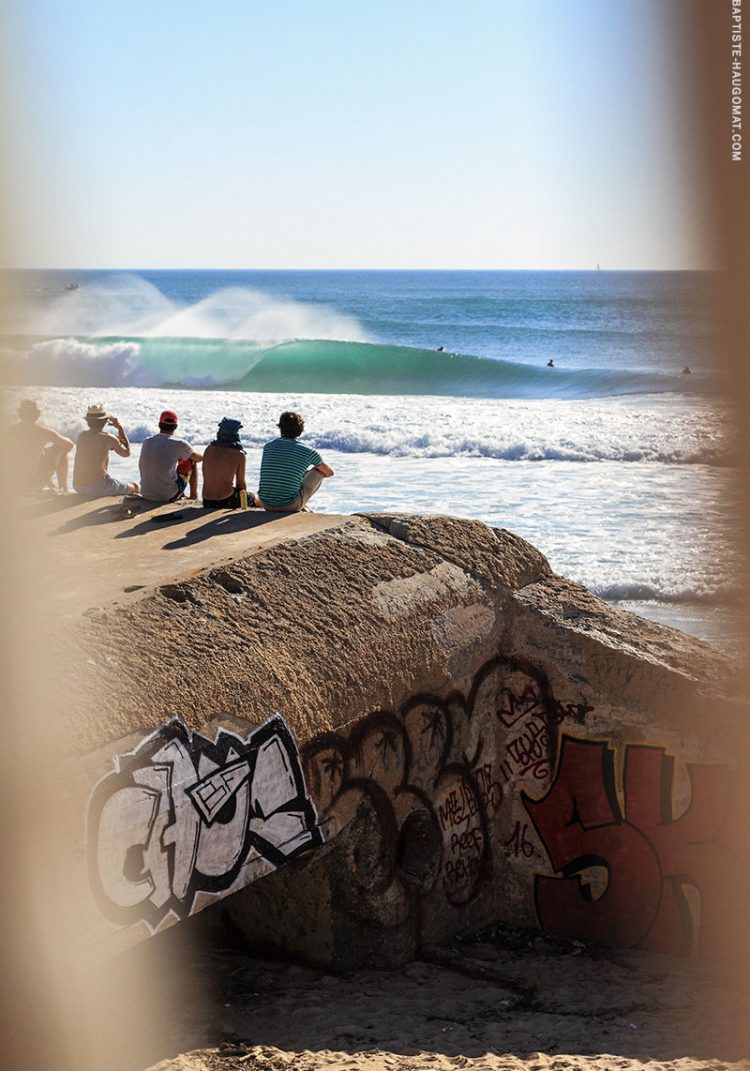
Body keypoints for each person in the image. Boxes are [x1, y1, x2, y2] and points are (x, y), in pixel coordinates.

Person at [255, 411, 334, 513]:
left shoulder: (268, 447)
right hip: (288, 505)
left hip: (266, 504)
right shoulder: (307, 451)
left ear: (280, 428)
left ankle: (300, 505)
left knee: (285, 473)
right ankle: (299, 504)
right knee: (318, 471)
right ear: (300, 430)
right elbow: (329, 472)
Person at [7, 399, 74, 493]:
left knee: (40, 454)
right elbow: (69, 446)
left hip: (12, 481)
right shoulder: (42, 432)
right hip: (33, 482)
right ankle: (63, 489)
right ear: (37, 414)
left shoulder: (10, 432)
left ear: (20, 413)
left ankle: (52, 486)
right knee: (60, 449)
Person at [73, 403, 138, 498]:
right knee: (134, 487)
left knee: (104, 452)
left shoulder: (82, 435)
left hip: (78, 486)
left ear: (88, 422)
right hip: (96, 488)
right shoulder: (109, 438)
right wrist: (119, 427)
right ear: (105, 421)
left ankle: (105, 477)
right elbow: (127, 453)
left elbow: (95, 449)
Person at [139, 410, 203, 502]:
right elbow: (198, 458)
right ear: (175, 426)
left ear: (159, 424)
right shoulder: (179, 444)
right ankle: (193, 496)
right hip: (167, 495)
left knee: (176, 457)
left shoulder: (147, 441)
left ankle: (181, 493)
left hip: (146, 493)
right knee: (191, 459)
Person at [202, 417, 249, 509]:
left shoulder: (208, 449)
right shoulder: (239, 454)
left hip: (207, 501)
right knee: (254, 498)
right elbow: (241, 485)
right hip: (226, 500)